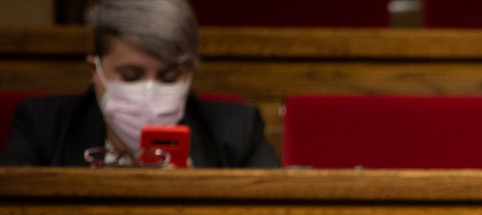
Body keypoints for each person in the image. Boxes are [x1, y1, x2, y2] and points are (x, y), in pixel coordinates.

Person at [0, 0, 279, 168]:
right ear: (95, 70)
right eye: (131, 75)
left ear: (189, 74)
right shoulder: (43, 128)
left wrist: (199, 196)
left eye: (168, 77)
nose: (149, 89)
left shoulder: (236, 133)